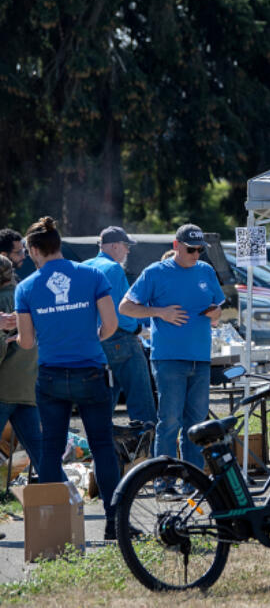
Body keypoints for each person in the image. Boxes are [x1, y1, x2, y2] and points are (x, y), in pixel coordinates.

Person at [13, 217, 122, 538]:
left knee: (51, 448)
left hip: (50, 375)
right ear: (58, 245)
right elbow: (111, 324)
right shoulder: (92, 275)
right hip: (90, 369)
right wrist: (90, 340)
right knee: (102, 446)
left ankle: (52, 530)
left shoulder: (26, 287)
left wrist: (17, 334)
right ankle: (114, 522)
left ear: (34, 250)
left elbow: (28, 342)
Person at [120, 224, 225, 469]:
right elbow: (125, 307)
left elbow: (219, 310)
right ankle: (164, 479)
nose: (196, 255)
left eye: (200, 250)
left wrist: (216, 313)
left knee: (197, 423)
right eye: (191, 250)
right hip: (168, 359)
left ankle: (193, 478)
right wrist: (160, 312)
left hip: (200, 358)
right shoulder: (156, 272)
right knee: (169, 421)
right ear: (176, 246)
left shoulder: (206, 271)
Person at [82, 225, 157, 425]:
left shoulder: (84, 266)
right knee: (140, 396)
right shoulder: (114, 268)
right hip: (119, 336)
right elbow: (120, 310)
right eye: (125, 246)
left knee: (104, 399)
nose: (128, 251)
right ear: (114, 246)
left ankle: (100, 446)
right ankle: (147, 447)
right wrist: (138, 329)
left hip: (92, 340)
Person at [0, 254, 45, 483]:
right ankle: (61, 493)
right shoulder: (25, 296)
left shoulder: (2, 302)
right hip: (27, 386)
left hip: (3, 388)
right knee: (38, 448)